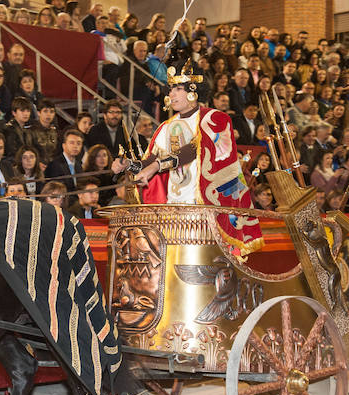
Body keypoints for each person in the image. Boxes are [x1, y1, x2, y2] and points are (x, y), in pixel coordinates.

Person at [112, 60, 263, 256]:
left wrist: (156, 166)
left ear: (193, 91)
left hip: (206, 207)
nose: (171, 94)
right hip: (174, 205)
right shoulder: (165, 126)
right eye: (170, 89)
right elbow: (149, 161)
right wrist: (129, 164)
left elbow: (195, 148)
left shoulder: (215, 118)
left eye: (178, 89)